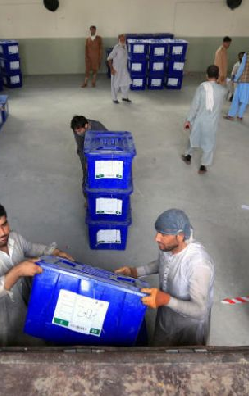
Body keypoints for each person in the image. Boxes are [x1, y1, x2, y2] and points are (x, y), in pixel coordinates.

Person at [0, 201, 74, 347]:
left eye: (4, 224)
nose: (2, 232)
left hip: (24, 310)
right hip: (1, 328)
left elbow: (31, 248)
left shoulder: (14, 238)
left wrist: (54, 252)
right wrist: (17, 272)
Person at [115, 209, 215, 346]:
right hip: (167, 318)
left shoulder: (199, 265)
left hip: (188, 330)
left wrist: (166, 300)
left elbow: (200, 310)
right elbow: (162, 264)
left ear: (180, 236)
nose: (157, 238)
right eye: (158, 232)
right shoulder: (168, 247)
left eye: (163, 234)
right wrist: (135, 272)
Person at [181, 65, 227, 174]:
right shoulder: (222, 91)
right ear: (218, 76)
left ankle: (188, 156)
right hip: (212, 123)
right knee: (209, 143)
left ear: (206, 75)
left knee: (193, 138)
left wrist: (188, 120)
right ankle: (203, 166)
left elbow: (194, 106)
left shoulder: (201, 88)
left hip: (199, 120)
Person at [225, 39, 249, 121]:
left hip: (242, 80)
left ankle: (231, 115)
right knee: (246, 99)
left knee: (236, 97)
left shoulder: (247, 55)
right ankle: (240, 116)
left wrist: (236, 78)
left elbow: (242, 68)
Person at [70, 115, 107, 196]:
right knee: (87, 174)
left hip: (99, 151)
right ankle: (87, 197)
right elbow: (80, 147)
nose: (77, 133)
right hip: (86, 152)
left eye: (79, 130)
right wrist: (85, 161)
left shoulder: (97, 127)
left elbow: (107, 139)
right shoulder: (77, 129)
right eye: (75, 131)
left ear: (86, 126)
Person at [107, 34, 132, 104]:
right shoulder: (116, 47)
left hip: (124, 69)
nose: (123, 40)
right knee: (115, 85)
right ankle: (114, 98)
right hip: (116, 70)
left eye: (124, 39)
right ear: (119, 39)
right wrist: (111, 69)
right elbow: (109, 59)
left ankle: (125, 97)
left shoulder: (126, 46)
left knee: (127, 83)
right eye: (121, 39)